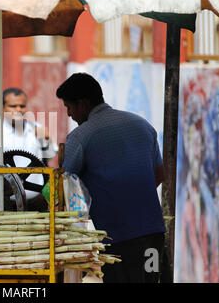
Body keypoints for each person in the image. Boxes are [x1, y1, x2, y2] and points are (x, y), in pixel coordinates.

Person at [56, 72, 166, 283]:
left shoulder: (81, 136)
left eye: (69, 107)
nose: (69, 114)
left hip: (119, 239)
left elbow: (64, 185)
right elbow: (159, 175)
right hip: (153, 233)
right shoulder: (142, 125)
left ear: (83, 103)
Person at [0, 87, 57, 211]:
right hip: (6, 205)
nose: (18, 110)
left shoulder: (37, 129)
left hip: (37, 202)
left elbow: (49, 156)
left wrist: (45, 140)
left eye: (22, 106)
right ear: (2, 108)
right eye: (13, 106)